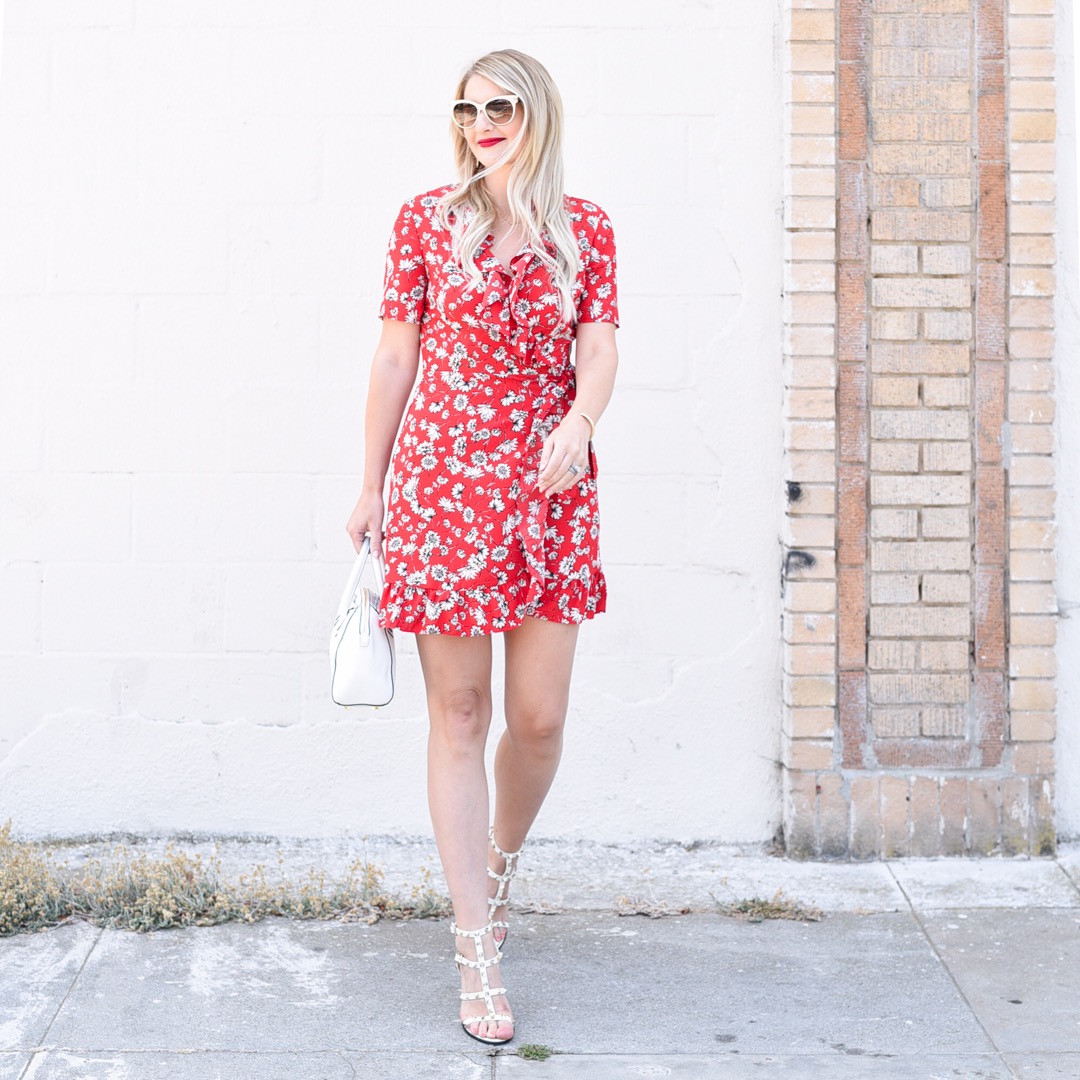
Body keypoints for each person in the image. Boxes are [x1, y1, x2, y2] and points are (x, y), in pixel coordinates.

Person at [344, 47, 619, 1045]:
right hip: (442, 487)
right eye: (467, 108)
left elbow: (599, 339)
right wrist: (371, 484)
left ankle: (496, 865)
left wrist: (581, 421)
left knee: (537, 721)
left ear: (536, 111)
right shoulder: (425, 220)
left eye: (499, 106)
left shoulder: (583, 227)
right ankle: (474, 950)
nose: (481, 122)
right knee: (459, 714)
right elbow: (394, 351)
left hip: (548, 490)